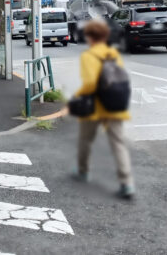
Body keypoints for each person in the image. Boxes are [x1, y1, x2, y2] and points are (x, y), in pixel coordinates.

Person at [72, 18, 134, 199]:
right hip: (115, 105)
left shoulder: (88, 56)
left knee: (85, 139)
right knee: (118, 143)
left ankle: (83, 170)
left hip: (95, 107)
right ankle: (127, 183)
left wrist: (77, 95)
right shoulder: (112, 53)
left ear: (90, 37)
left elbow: (90, 84)